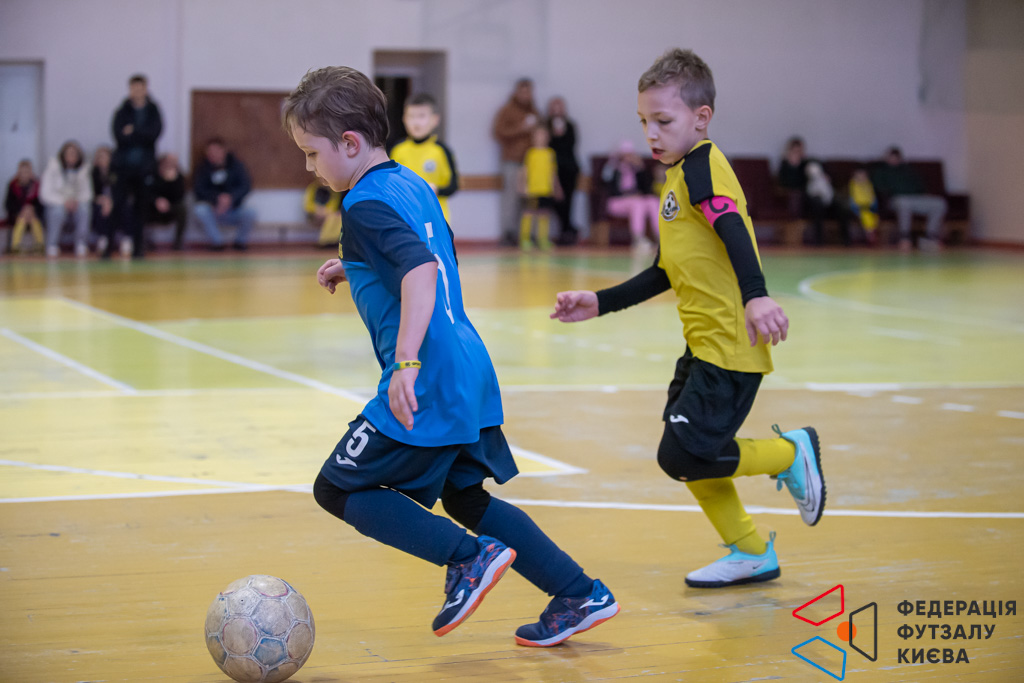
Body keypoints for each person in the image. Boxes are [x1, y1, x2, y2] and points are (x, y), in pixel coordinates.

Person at [283, 65, 618, 646]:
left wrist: (405, 362)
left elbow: (419, 269)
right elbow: (433, 252)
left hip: (429, 374)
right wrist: (359, 266)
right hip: (469, 366)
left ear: (350, 144)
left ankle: (466, 557)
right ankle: (577, 592)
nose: (310, 167)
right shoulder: (411, 183)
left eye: (312, 154)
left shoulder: (362, 205)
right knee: (464, 496)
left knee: (336, 488)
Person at [552, 48, 826, 589]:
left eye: (663, 121)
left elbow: (733, 227)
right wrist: (600, 302)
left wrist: (757, 295)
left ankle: (789, 453)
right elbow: (665, 270)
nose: (651, 134)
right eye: (643, 122)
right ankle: (751, 552)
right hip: (703, 346)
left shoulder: (701, 167)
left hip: (729, 347)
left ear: (701, 118)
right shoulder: (677, 177)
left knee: (682, 454)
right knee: (691, 452)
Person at [111, 74, 163, 259]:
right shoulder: (122, 111)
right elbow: (118, 135)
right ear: (130, 89)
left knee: (141, 209)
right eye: (134, 88)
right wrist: (140, 134)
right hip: (123, 167)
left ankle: (139, 248)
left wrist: (133, 131)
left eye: (141, 88)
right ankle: (109, 246)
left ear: (146, 89)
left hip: (144, 168)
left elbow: (154, 134)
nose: (138, 91)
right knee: (118, 205)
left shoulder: (153, 111)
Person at [389, 93, 459, 226]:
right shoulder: (397, 150)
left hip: (435, 218)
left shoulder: (441, 150)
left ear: (435, 119)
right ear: (404, 119)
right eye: (411, 116)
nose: (416, 122)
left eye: (421, 116)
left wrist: (436, 190)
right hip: (405, 218)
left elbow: (453, 186)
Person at [871, 146, 947, 251]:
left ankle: (930, 236)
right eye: (891, 157)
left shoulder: (908, 170)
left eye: (896, 157)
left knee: (939, 203)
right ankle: (904, 237)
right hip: (896, 199)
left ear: (900, 158)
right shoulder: (881, 171)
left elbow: (920, 186)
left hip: (916, 198)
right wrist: (893, 191)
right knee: (904, 202)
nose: (893, 160)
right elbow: (879, 188)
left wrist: (922, 194)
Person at [777, 137, 850, 245]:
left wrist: (824, 177)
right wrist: (793, 166)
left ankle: (846, 241)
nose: (798, 153)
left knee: (841, 205)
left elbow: (820, 174)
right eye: (795, 151)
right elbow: (787, 183)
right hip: (805, 196)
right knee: (817, 204)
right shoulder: (786, 165)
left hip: (824, 195)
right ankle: (819, 240)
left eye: (800, 151)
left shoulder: (808, 162)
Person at [493, 78, 540, 246]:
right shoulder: (507, 111)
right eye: (523, 91)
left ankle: (528, 234)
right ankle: (508, 233)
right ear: (517, 92)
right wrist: (521, 129)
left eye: (529, 92)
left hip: (532, 162)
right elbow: (498, 132)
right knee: (511, 199)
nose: (526, 95)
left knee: (531, 200)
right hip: (512, 161)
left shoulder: (535, 112)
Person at [193, 137, 257, 251]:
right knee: (200, 210)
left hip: (233, 208)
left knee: (251, 212)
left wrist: (230, 198)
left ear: (223, 150)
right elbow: (199, 189)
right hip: (213, 209)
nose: (212, 154)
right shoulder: (203, 168)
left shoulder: (236, 165)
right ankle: (217, 242)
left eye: (215, 151)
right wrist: (216, 199)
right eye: (210, 152)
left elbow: (245, 185)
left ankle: (239, 242)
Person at [601, 140, 660, 252]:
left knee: (653, 201)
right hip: (616, 202)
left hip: (636, 199)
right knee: (637, 204)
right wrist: (628, 196)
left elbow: (647, 189)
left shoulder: (636, 169)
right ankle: (638, 239)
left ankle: (661, 237)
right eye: (625, 155)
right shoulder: (612, 167)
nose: (628, 158)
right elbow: (606, 186)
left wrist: (641, 169)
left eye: (630, 155)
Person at [40, 140, 92, 258]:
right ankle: (52, 244)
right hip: (57, 204)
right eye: (69, 153)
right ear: (63, 155)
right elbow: (45, 194)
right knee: (57, 211)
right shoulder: (53, 167)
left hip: (76, 203)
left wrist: (76, 201)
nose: (72, 157)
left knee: (84, 209)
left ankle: (81, 244)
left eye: (75, 154)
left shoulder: (84, 170)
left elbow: (87, 193)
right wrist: (64, 202)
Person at [518, 126, 561, 251]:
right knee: (529, 213)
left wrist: (555, 187)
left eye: (543, 135)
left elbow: (553, 172)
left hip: (545, 189)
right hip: (532, 189)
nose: (541, 138)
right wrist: (523, 185)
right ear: (533, 138)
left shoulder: (550, 153)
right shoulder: (531, 153)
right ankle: (525, 239)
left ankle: (542, 239)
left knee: (544, 214)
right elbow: (525, 170)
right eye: (538, 135)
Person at [545, 97, 580, 244]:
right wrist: (554, 135)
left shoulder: (570, 126)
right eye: (554, 106)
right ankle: (565, 229)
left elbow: (571, 144)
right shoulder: (546, 126)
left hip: (569, 169)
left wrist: (562, 134)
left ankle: (567, 231)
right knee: (554, 200)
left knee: (568, 200)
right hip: (552, 169)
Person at [4, 159, 45, 254]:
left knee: (34, 219)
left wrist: (32, 209)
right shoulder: (13, 185)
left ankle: (39, 245)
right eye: (22, 172)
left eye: (27, 172)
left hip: (34, 214)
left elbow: (41, 204)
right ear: (18, 173)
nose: (24, 175)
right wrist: (21, 210)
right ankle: (16, 246)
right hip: (17, 215)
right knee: (22, 219)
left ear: (31, 173)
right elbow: (8, 204)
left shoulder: (36, 186)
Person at [148, 153, 188, 250]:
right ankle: (143, 241)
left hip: (170, 207)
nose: (171, 165)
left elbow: (180, 196)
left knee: (182, 208)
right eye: (169, 162)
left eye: (174, 163)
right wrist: (156, 201)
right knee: (140, 208)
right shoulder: (152, 174)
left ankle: (178, 243)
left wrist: (172, 182)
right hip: (153, 207)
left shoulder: (178, 176)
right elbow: (147, 192)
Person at [90, 146, 120, 256]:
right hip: (99, 202)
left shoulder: (117, 172)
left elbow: (121, 192)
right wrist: (102, 200)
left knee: (125, 208)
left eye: (104, 157)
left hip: (115, 201)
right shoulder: (93, 173)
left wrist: (111, 201)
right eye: (99, 157)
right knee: (98, 209)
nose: (102, 159)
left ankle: (127, 237)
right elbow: (90, 193)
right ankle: (103, 237)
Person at [303, 179, 342, 248]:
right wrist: (317, 209)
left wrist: (326, 211)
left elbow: (334, 205)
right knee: (332, 217)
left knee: (338, 217)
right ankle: (324, 240)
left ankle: (332, 240)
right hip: (313, 214)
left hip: (328, 213)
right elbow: (307, 205)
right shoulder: (313, 188)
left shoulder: (334, 190)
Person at [848, 167, 879, 246]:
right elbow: (853, 199)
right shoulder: (853, 185)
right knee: (866, 215)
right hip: (858, 208)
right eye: (859, 176)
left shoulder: (869, 184)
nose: (861, 178)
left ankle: (871, 231)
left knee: (874, 217)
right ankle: (869, 234)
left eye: (863, 176)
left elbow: (872, 197)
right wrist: (858, 206)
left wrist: (872, 205)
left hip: (869, 207)